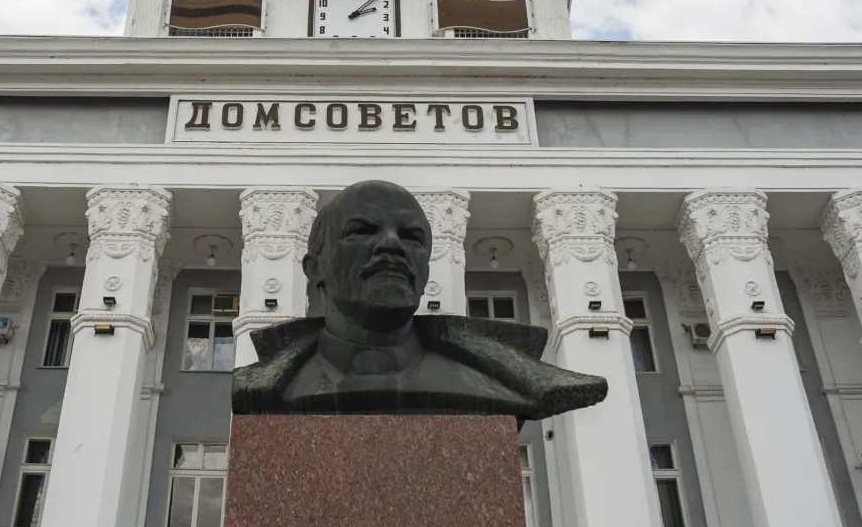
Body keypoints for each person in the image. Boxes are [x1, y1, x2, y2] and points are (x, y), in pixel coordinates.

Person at [231, 180, 608, 420]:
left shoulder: (498, 382)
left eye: (412, 237)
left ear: (425, 270)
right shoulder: (267, 385)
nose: (392, 245)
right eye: (362, 230)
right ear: (314, 269)